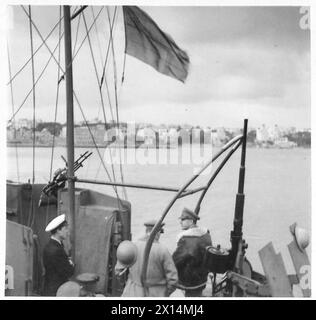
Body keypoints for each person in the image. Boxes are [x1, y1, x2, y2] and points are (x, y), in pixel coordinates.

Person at [115, 219, 178, 297]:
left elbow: (119, 271)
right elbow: (173, 280)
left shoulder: (132, 246)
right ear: (158, 232)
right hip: (156, 294)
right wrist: (164, 293)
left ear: (146, 231)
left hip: (132, 293)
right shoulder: (163, 250)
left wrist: (127, 284)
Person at [172, 207, 212, 297]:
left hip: (190, 281)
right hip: (202, 277)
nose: (180, 222)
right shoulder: (205, 234)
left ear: (191, 221)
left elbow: (176, 260)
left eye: (183, 219)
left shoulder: (187, 239)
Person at [42, 214, 75, 296]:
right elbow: (68, 272)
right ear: (58, 231)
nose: (68, 231)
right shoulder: (56, 250)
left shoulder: (51, 245)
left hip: (51, 288)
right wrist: (71, 264)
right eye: (66, 228)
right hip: (56, 291)